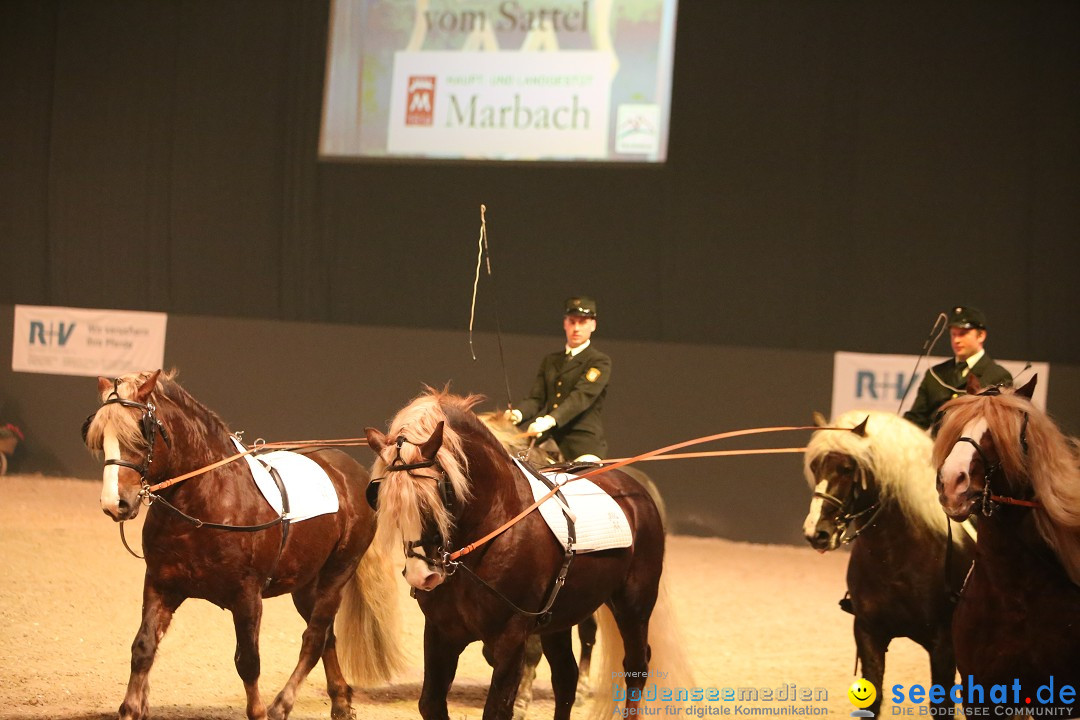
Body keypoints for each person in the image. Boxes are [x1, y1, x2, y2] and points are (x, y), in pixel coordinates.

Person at [507, 296, 611, 462]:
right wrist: (517, 414)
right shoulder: (551, 361)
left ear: (593, 325)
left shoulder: (599, 361)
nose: (576, 328)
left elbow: (580, 397)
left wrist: (550, 420)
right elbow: (536, 399)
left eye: (582, 322)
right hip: (547, 439)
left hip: (581, 442)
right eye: (572, 321)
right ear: (565, 323)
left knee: (585, 484)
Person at [904, 305, 1012, 434]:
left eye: (963, 334)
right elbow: (917, 420)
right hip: (936, 449)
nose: (956, 340)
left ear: (981, 335)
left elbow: (1001, 427)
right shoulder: (935, 374)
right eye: (953, 334)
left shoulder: (998, 376)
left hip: (973, 451)